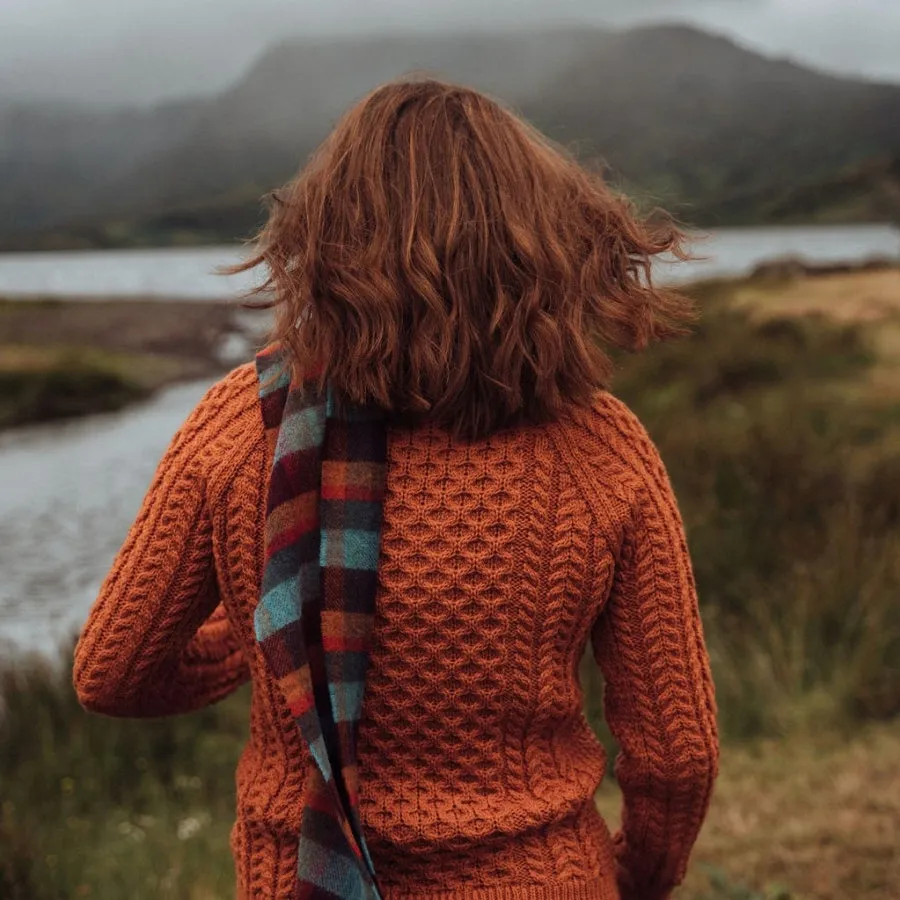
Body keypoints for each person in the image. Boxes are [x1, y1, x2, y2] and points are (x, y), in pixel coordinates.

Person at [74, 78, 719, 900]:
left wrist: (275, 639)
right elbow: (677, 753)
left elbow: (115, 673)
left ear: (326, 241)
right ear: (540, 245)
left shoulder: (242, 424)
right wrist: (635, 879)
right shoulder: (600, 449)